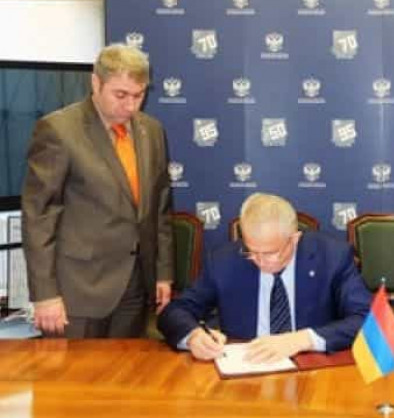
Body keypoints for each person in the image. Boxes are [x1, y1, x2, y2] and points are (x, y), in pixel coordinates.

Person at [22, 44, 174, 338]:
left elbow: (161, 208)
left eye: (139, 95)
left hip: (135, 286)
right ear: (96, 83)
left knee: (126, 367)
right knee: (73, 369)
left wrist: (163, 273)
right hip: (77, 292)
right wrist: (45, 294)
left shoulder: (152, 131)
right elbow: (39, 217)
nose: (131, 106)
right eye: (121, 95)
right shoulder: (58, 130)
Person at [158, 193, 372, 362]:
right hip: (247, 368)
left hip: (312, 368)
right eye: (251, 251)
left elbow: (369, 320)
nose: (260, 261)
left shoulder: (332, 257)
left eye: (270, 253)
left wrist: (302, 339)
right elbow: (174, 311)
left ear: (294, 239)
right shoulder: (224, 261)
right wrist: (194, 336)